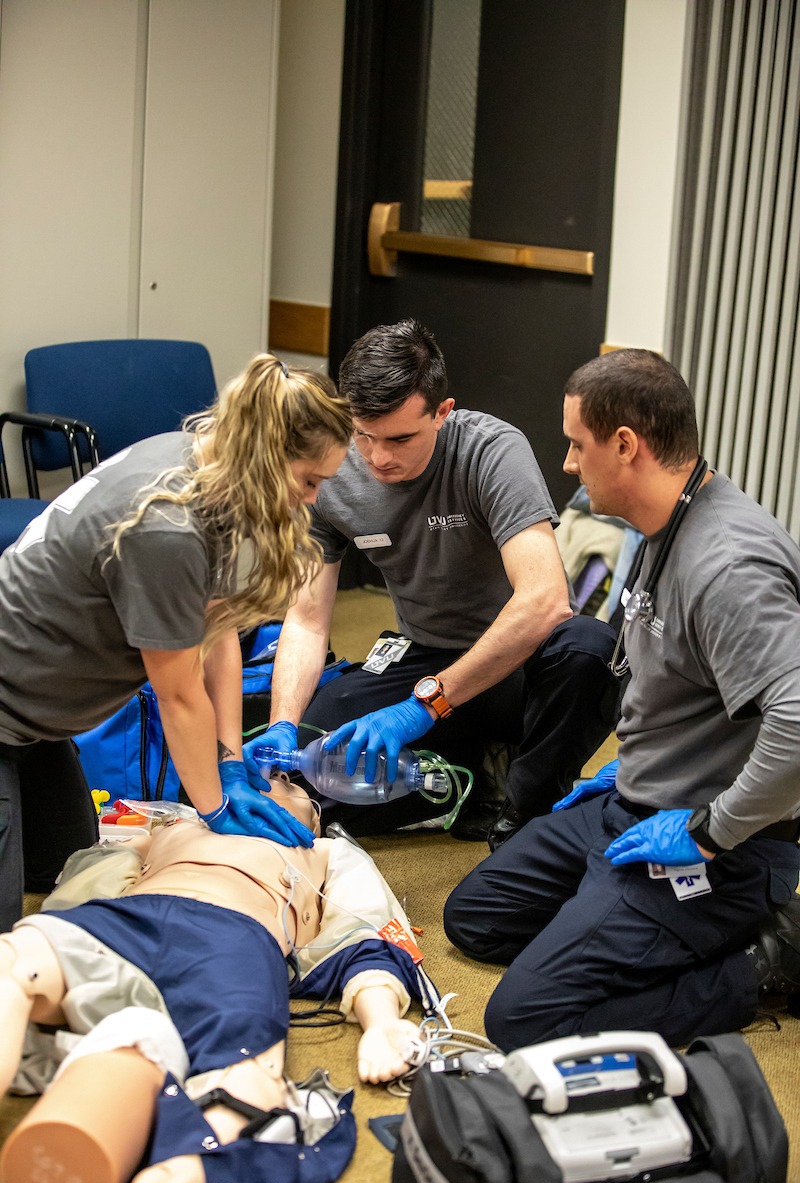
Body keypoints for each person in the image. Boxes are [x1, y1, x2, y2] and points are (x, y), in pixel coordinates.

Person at [444, 348, 800, 1051]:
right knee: (476, 917)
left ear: (625, 445)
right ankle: (619, 919)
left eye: (577, 445)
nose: (569, 464)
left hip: (720, 845)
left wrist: (708, 833)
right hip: (634, 806)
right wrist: (626, 770)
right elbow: (673, 681)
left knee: (524, 1017)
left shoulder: (728, 564)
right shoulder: (661, 525)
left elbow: (797, 723)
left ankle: (766, 960)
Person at [0, 354, 353, 933]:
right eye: (309, 481)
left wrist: (230, 762)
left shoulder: (202, 463)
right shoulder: (168, 526)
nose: (313, 500)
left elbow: (216, 633)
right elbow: (180, 696)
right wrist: (212, 807)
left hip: (40, 720)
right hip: (8, 704)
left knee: (59, 862)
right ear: (266, 457)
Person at [246, 320, 618, 843]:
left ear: (443, 413)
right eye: (364, 435)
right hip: (424, 655)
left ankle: (526, 806)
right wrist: (283, 726)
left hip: (515, 666)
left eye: (400, 438)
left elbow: (546, 601)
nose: (378, 458)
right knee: (314, 758)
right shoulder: (332, 470)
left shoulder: (491, 450)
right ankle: (469, 769)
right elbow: (307, 619)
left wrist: (425, 706)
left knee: (590, 651)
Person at [0, 772, 426, 1183]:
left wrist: (382, 1022)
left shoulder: (322, 849)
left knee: (245, 1093)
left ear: (312, 816)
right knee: (14, 961)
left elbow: (362, 930)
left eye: (289, 783)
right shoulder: (176, 826)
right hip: (125, 921)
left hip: (232, 940)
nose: (270, 775)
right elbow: (92, 876)